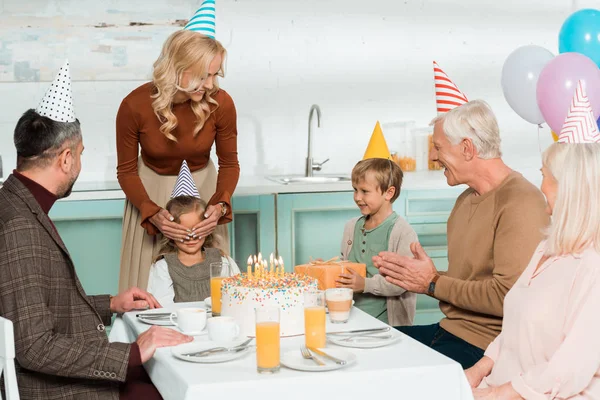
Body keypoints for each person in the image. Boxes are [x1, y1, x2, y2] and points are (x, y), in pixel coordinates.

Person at [0, 61, 192, 400]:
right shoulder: (19, 226)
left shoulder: (17, 204)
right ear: (65, 159)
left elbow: (35, 309)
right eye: (81, 154)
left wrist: (112, 304)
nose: (80, 163)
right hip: (57, 391)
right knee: (167, 387)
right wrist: (131, 352)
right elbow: (34, 346)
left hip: (58, 378)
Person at [373, 66, 549, 369]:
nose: (432, 156)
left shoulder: (521, 201)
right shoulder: (465, 201)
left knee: (387, 375)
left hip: (489, 348)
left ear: (467, 148)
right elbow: (463, 284)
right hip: (450, 331)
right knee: (368, 352)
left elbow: (506, 296)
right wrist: (427, 279)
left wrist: (431, 283)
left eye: (438, 147)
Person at [467, 82, 600, 399]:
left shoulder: (591, 267)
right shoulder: (548, 248)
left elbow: (571, 366)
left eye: (544, 175)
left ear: (567, 186)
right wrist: (481, 368)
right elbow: (515, 327)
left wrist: (496, 394)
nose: (539, 184)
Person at [116, 0, 240, 292]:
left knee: (213, 285)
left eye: (214, 74)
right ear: (178, 68)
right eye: (202, 75)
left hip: (205, 192)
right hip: (149, 193)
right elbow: (126, 170)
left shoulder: (221, 103)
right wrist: (151, 211)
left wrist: (219, 205)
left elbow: (230, 163)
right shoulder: (134, 105)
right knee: (145, 285)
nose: (210, 84)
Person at [336, 124, 418, 325]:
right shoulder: (351, 227)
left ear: (388, 193)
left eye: (364, 191)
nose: (357, 197)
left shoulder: (401, 232)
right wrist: (330, 268)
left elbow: (402, 282)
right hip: (350, 318)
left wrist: (365, 284)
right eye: (354, 190)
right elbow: (346, 268)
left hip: (386, 325)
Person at [147, 162, 240, 305]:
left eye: (197, 230)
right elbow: (162, 307)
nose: (191, 237)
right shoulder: (163, 267)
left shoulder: (222, 261)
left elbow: (237, 296)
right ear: (170, 231)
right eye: (183, 232)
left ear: (207, 227)